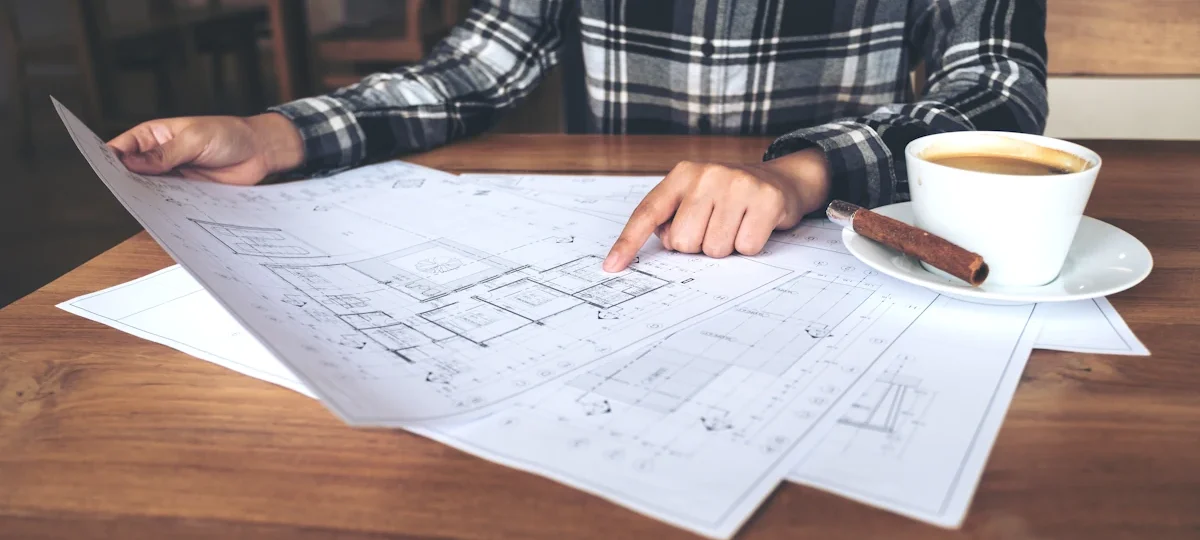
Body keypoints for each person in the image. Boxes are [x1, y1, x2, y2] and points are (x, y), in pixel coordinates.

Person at [106, 0, 1048, 273]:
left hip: (839, 237)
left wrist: (807, 172)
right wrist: (271, 134)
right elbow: (479, 67)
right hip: (620, 250)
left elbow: (1000, 88)